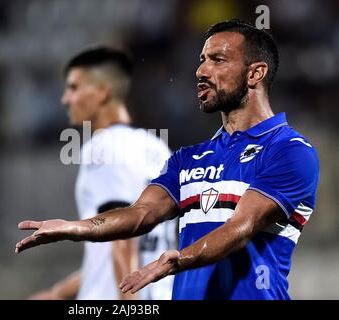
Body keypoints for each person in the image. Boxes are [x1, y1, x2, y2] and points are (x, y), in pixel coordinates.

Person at [16, 20, 320, 300]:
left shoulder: (289, 150)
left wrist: (179, 260)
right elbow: (140, 214)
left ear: (255, 73)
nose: (202, 71)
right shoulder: (187, 158)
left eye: (218, 60)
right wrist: (76, 227)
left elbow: (241, 227)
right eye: (202, 60)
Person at [27, 47, 176, 300]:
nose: (65, 99)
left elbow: (122, 241)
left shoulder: (102, 148)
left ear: (102, 92)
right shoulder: (159, 148)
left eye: (73, 88)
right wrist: (57, 294)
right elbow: (117, 253)